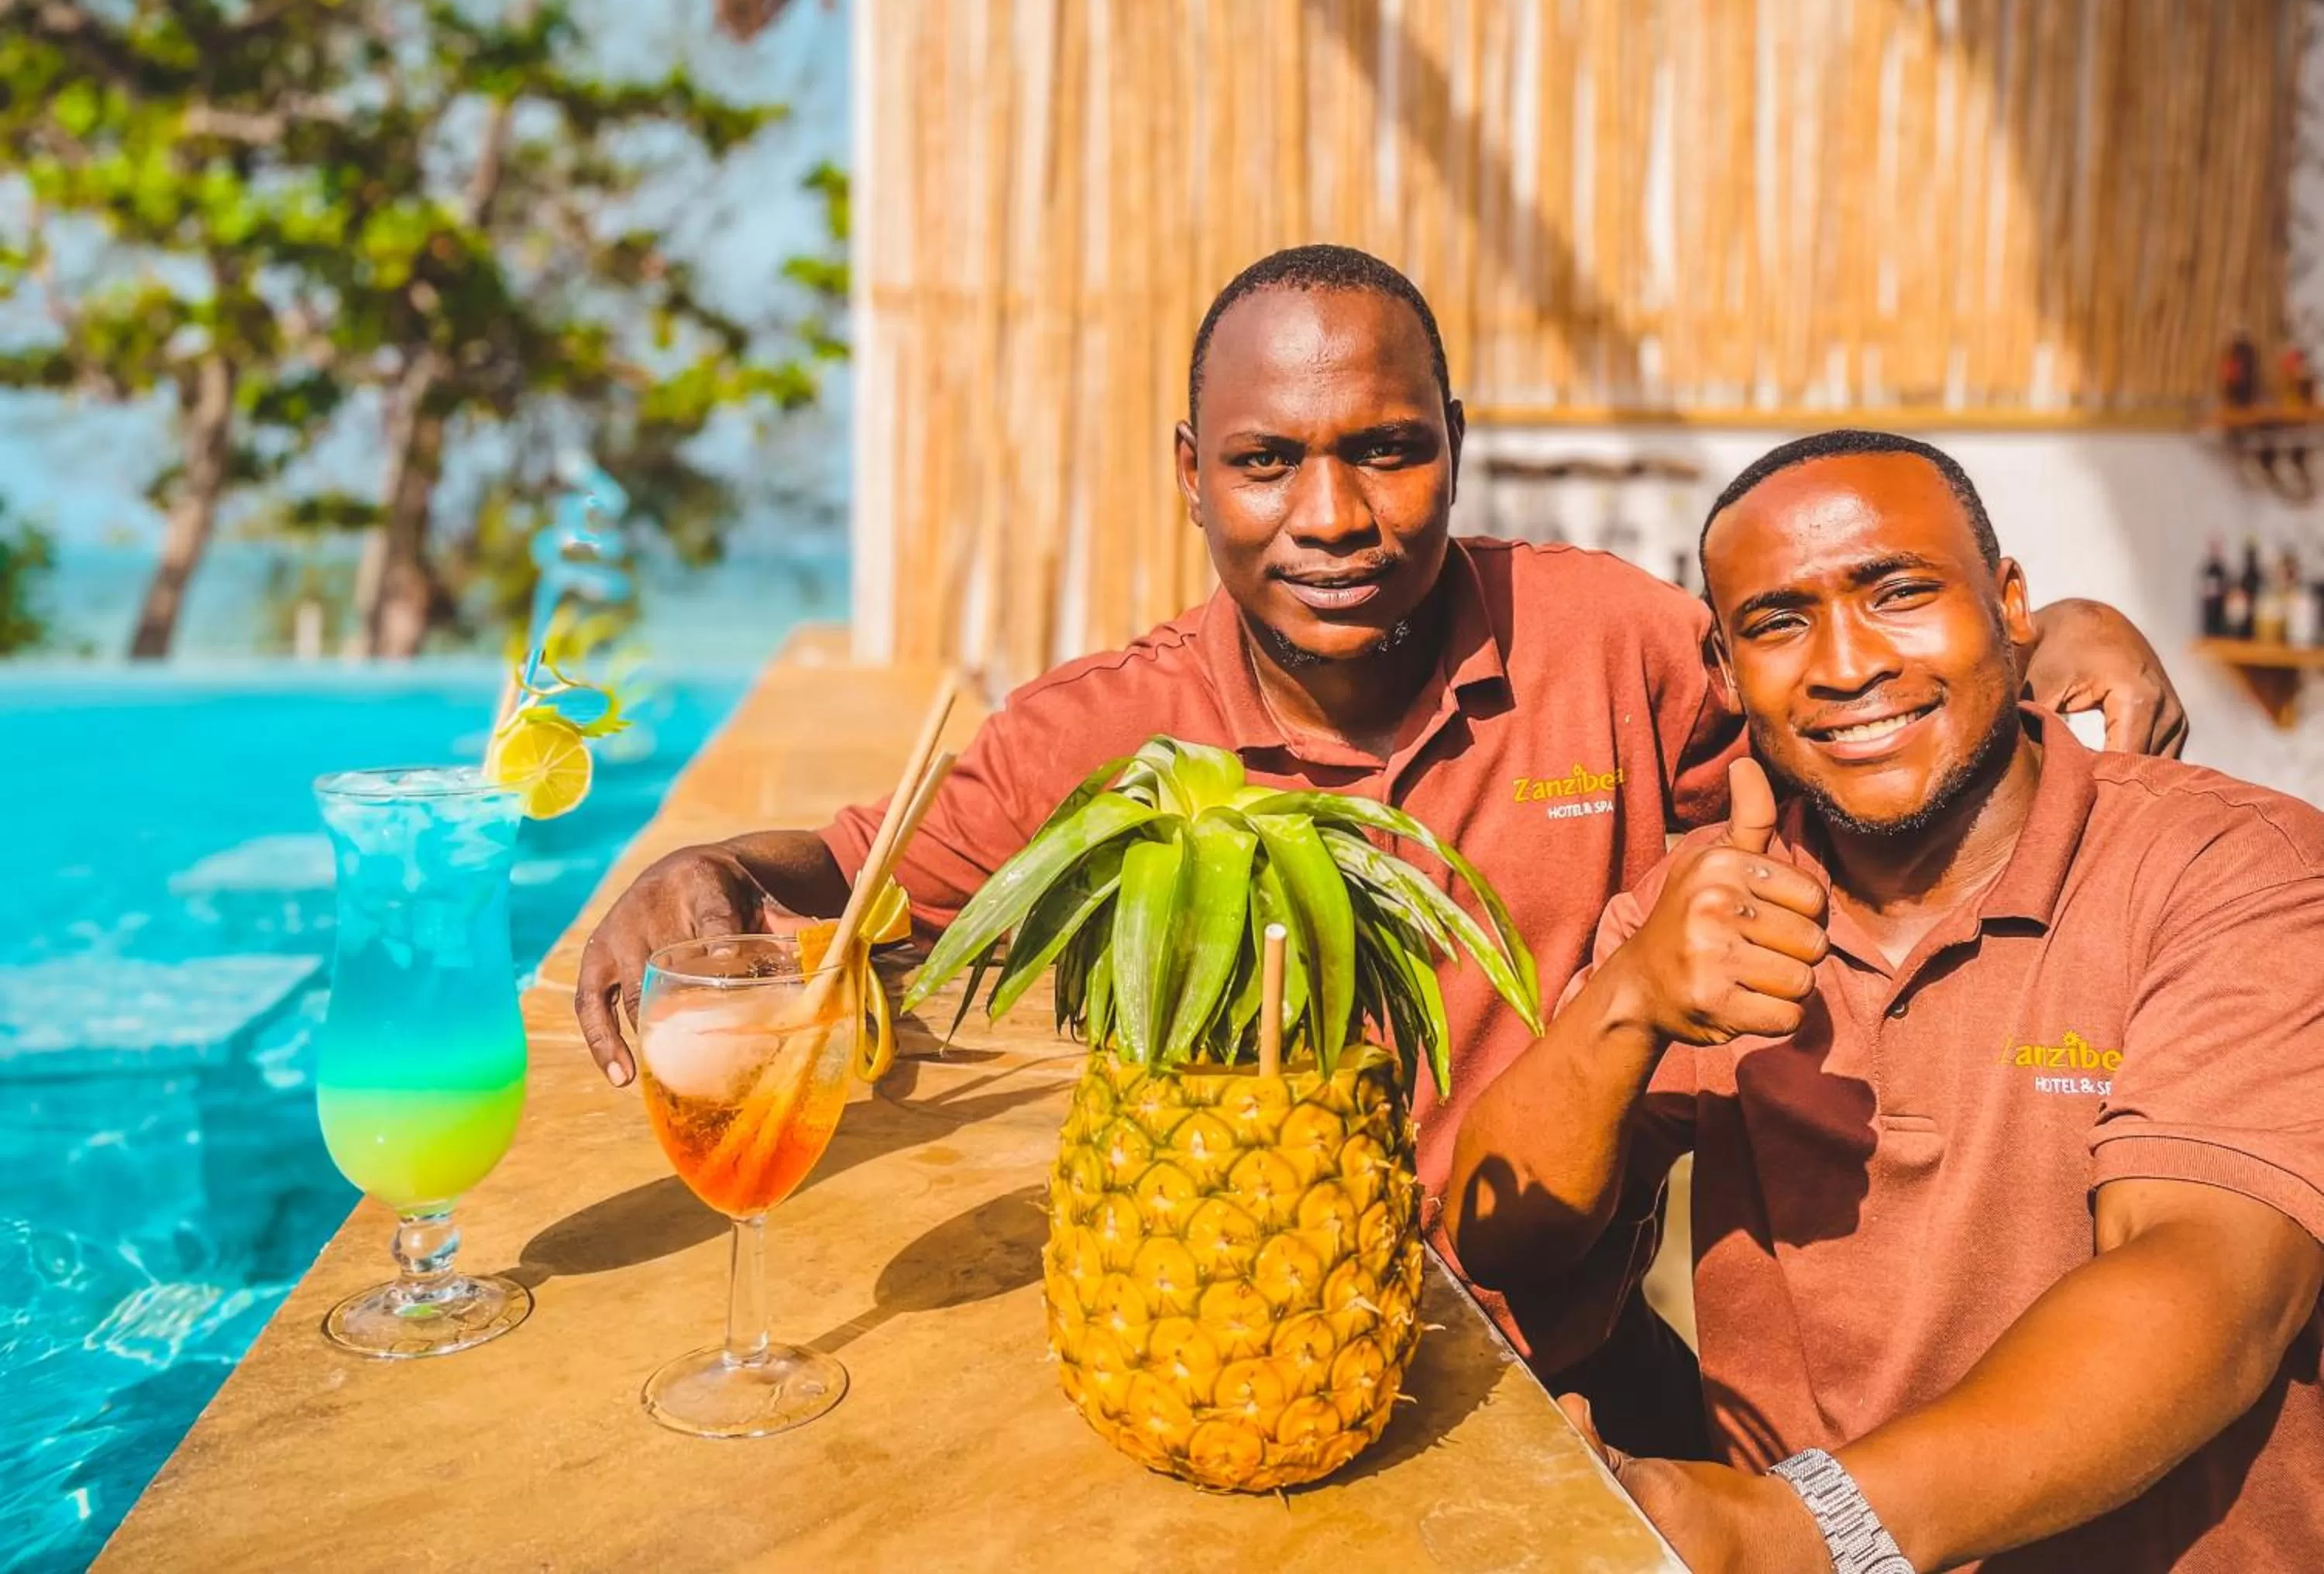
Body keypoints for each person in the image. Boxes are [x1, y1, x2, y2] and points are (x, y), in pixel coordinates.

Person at [572, 244, 2181, 1423]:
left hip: (1569, 1349)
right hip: (1221, 1358)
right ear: (1194, 479)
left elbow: (1831, 671)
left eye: (1385, 450)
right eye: (1269, 462)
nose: (1333, 516)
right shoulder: (1101, 733)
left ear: (1452, 445)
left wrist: (2054, 636)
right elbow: (859, 889)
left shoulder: (1605, 637)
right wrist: (703, 871)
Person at [1446, 430, 2324, 1572]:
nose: (1847, 661)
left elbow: (2213, 1279)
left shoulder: (2233, 867)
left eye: (1899, 592)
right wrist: (1628, 1004)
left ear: (2013, 606)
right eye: (1777, 622)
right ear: (1723, 670)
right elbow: (1499, 1235)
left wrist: (1802, 1527)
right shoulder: (1708, 901)